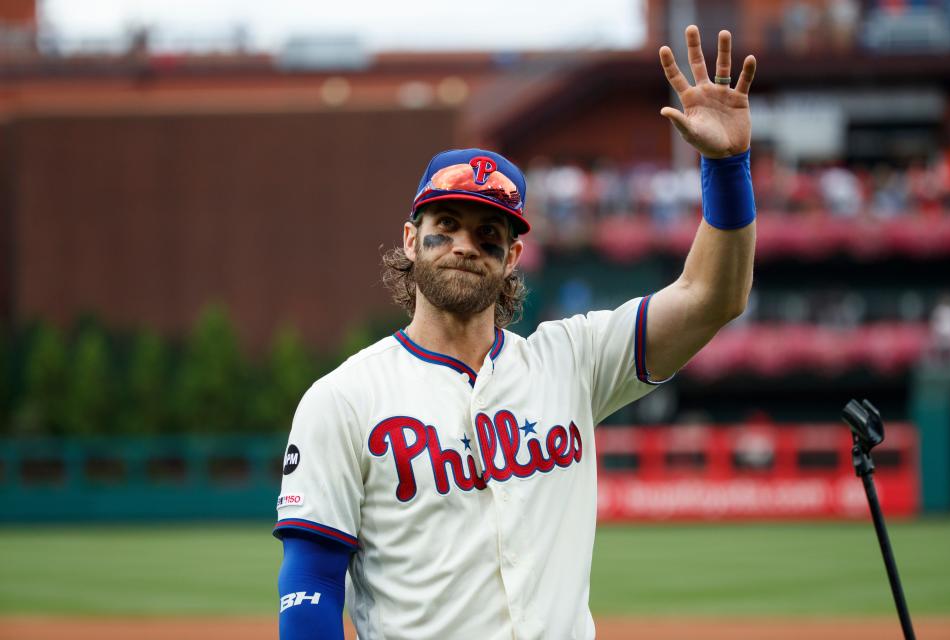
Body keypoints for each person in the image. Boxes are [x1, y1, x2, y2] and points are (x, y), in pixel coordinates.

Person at [274, 25, 758, 640]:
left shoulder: (572, 363)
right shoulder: (344, 400)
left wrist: (727, 166)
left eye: (488, 234)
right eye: (445, 224)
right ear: (408, 239)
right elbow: (310, 585)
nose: (464, 246)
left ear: (512, 256)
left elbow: (712, 296)